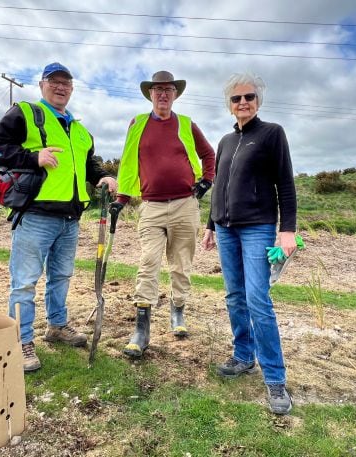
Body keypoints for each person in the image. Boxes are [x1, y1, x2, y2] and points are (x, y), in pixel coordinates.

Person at [0, 62, 117, 372]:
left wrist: (104, 177)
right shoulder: (26, 113)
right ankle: (21, 340)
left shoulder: (81, 130)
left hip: (70, 218)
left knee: (61, 277)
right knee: (25, 283)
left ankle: (57, 326)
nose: (61, 87)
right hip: (35, 214)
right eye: (54, 82)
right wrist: (33, 157)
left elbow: (89, 167)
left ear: (72, 88)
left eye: (66, 83)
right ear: (43, 85)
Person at [201, 72, 297, 415]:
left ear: (258, 101)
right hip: (225, 229)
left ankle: (275, 378)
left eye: (249, 97)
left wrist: (288, 230)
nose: (243, 103)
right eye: (236, 98)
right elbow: (219, 186)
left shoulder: (272, 134)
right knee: (234, 296)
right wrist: (210, 225)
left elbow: (285, 184)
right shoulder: (226, 141)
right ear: (229, 105)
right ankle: (244, 356)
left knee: (258, 299)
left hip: (257, 227)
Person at [111, 71, 216, 358]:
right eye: (158, 90)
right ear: (150, 94)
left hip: (185, 204)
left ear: (175, 94)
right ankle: (142, 330)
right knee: (148, 262)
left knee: (181, 264)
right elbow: (129, 162)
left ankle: (177, 313)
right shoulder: (138, 123)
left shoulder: (186, 124)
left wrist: (206, 180)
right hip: (152, 207)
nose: (163, 95)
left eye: (168, 90)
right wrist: (121, 198)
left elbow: (209, 155)